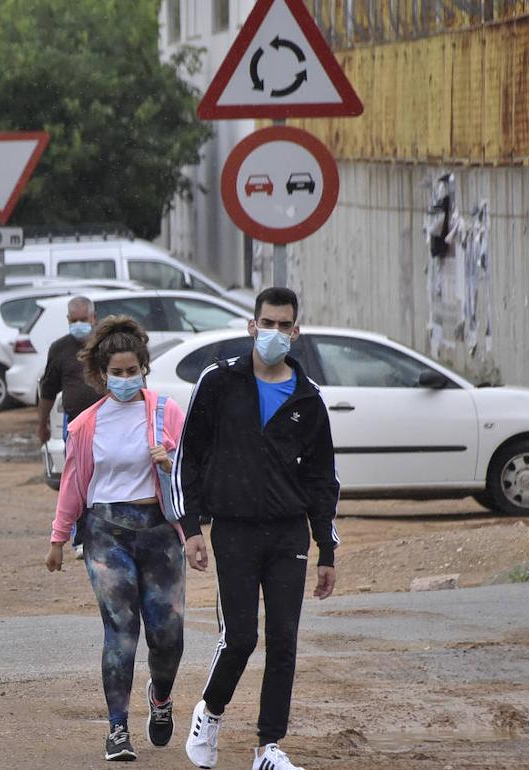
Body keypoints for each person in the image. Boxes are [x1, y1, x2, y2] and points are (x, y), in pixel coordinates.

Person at [172, 287, 340, 770]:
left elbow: (322, 479)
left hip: (288, 534)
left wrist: (325, 548)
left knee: (284, 639)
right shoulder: (219, 381)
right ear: (252, 326)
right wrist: (191, 528)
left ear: (295, 331)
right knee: (241, 637)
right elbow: (190, 457)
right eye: (267, 323)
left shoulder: (308, 399)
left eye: (283, 325)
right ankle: (211, 712)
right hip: (234, 531)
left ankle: (268, 748)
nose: (274, 333)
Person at [44, 315, 188, 762]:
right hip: (106, 533)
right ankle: (117, 729)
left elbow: (194, 474)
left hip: (160, 531)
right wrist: (58, 537)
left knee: (167, 635)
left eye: (133, 370)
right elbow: (73, 483)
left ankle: (160, 698)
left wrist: (171, 464)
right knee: (120, 630)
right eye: (117, 372)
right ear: (101, 374)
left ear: (144, 367)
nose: (125, 379)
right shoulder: (86, 425)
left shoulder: (168, 412)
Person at [36, 296, 100, 559]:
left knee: (102, 478)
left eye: (84, 320)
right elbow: (48, 389)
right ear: (67, 321)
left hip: (105, 420)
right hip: (74, 422)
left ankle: (101, 533)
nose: (80, 325)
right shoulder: (60, 348)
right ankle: (80, 537)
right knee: (76, 479)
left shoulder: (104, 345)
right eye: (74, 321)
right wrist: (42, 422)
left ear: (93, 319)